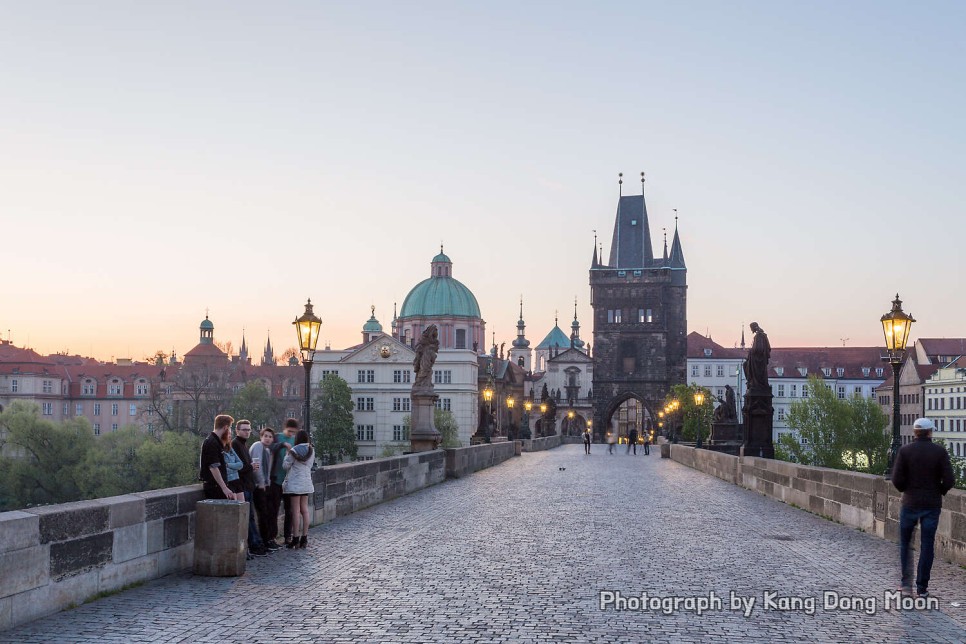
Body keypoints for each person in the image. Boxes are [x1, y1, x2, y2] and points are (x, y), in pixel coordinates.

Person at [891, 417, 956, 598]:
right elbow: (950, 480)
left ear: (914, 432)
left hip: (909, 503)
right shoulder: (939, 452)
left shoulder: (905, 451)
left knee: (905, 544)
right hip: (931, 505)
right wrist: (939, 491)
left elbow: (896, 479)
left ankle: (905, 585)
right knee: (927, 545)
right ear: (930, 432)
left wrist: (907, 491)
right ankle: (922, 588)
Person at [232, 420, 268, 558]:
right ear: (237, 431)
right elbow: (237, 468)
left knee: (251, 517)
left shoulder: (243, 445)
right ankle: (254, 545)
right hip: (242, 487)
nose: (247, 432)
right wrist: (251, 467)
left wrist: (251, 466)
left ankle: (256, 544)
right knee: (248, 518)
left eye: (248, 429)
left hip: (248, 485)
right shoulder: (235, 444)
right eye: (244, 430)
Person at [283, 429, 315, 549]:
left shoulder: (293, 451)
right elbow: (310, 465)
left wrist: (287, 454)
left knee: (295, 511)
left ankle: (295, 538)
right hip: (306, 482)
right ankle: (304, 538)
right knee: (305, 510)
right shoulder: (311, 450)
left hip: (295, 483)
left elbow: (285, 466)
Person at [270, 418, 299, 546]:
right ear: (285, 428)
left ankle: (288, 536)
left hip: (289, 481)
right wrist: (282, 445)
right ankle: (273, 536)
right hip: (276, 479)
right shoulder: (277, 437)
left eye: (293, 432)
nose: (291, 434)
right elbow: (270, 448)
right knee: (274, 509)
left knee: (290, 510)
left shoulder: (296, 440)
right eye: (289, 431)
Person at [250, 427, 279, 550]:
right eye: (265, 436)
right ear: (261, 437)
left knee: (268, 513)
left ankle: (268, 539)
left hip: (265, 485)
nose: (268, 439)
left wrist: (267, 482)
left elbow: (267, 469)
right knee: (263, 513)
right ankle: (265, 541)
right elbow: (257, 466)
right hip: (258, 486)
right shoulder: (257, 446)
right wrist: (262, 482)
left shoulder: (266, 451)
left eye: (270, 437)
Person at [199, 414, 237, 500]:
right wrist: (224, 488)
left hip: (216, 486)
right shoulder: (212, 443)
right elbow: (213, 467)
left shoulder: (214, 441)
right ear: (225, 427)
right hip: (215, 487)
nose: (230, 431)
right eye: (230, 428)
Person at [743, 322, 771, 391]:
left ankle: (752, 382)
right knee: (745, 364)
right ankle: (750, 381)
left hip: (758, 360)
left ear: (754, 327)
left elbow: (759, 349)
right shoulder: (761, 335)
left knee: (745, 364)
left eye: (751, 328)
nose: (751, 330)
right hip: (758, 359)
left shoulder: (759, 335)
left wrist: (751, 351)